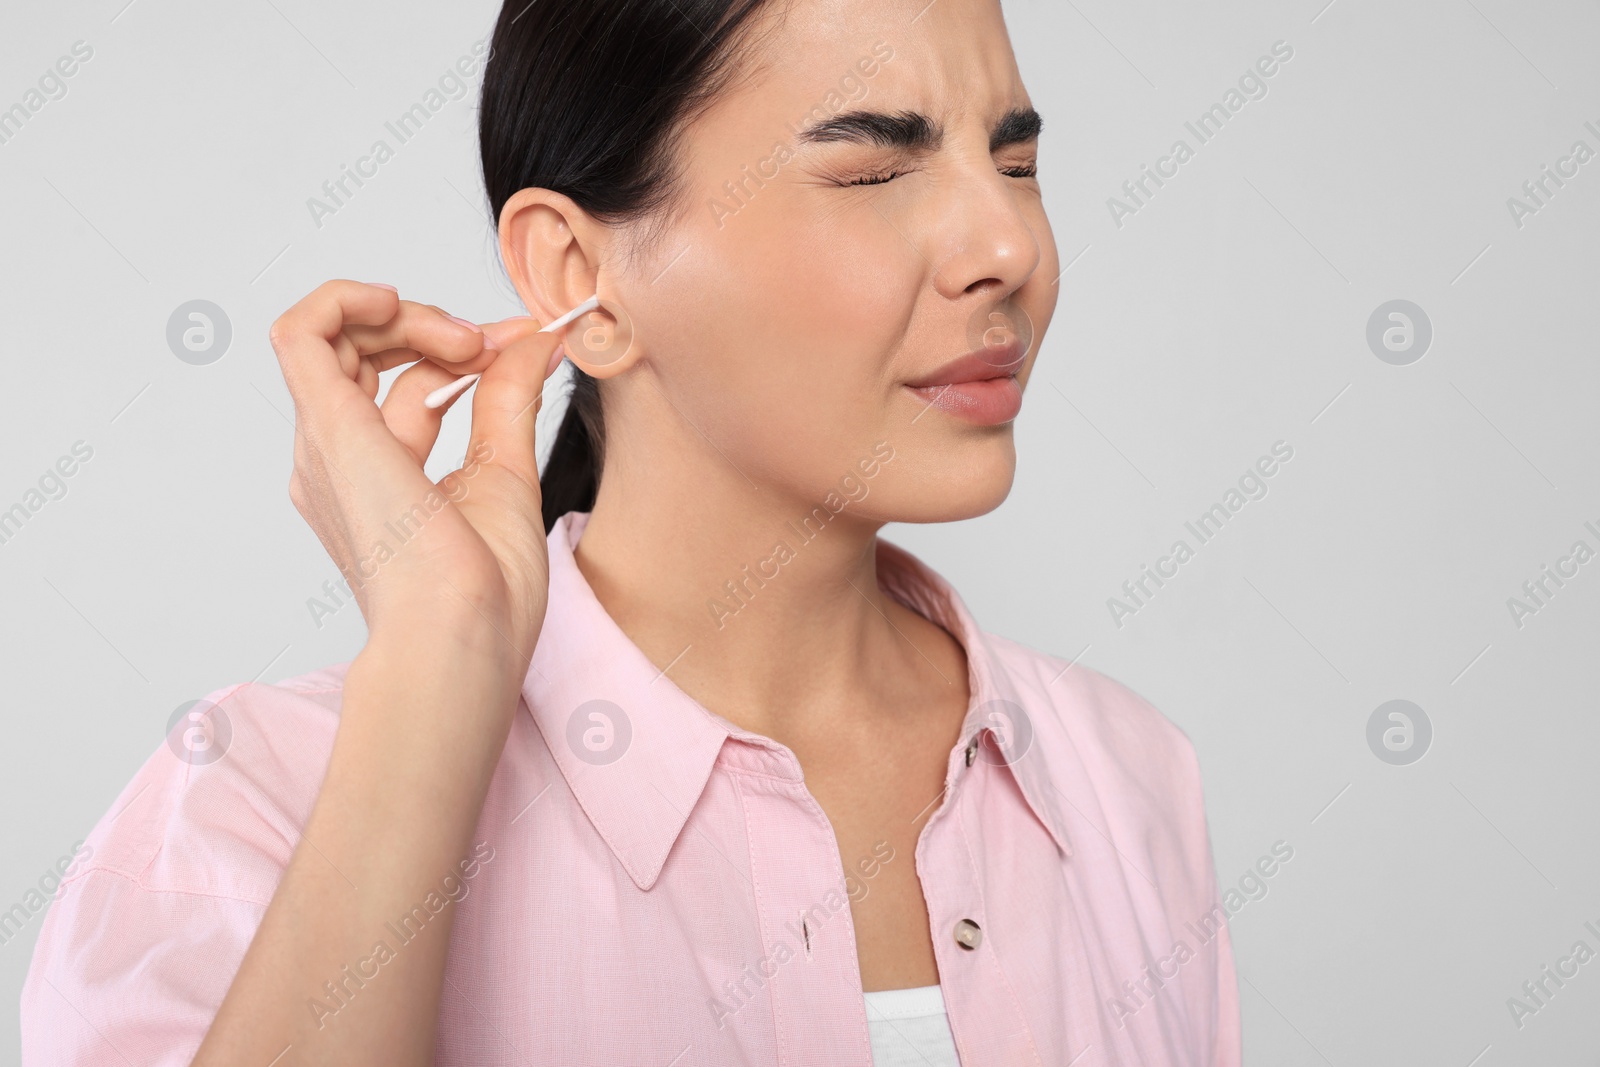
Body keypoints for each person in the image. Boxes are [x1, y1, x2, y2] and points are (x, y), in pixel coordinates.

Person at [21, 0, 1240, 1063]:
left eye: (1016, 164)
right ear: (574, 277)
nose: (1009, 248)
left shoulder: (1121, 773)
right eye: (874, 171)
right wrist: (435, 665)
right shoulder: (253, 806)